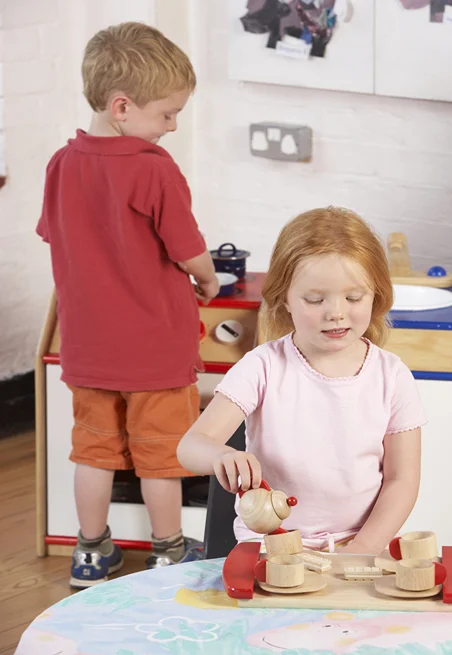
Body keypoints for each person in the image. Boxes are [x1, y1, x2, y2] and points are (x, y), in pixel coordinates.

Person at [36, 22, 219, 588]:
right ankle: (168, 551)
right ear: (122, 107)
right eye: (166, 114)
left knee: (93, 452)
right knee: (163, 455)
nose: (172, 125)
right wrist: (209, 282)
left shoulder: (62, 165)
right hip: (154, 354)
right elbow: (189, 251)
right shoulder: (153, 169)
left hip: (87, 349)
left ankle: (90, 553)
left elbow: (58, 237)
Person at [177, 207, 426, 554]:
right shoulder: (263, 366)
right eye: (315, 299)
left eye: (353, 297)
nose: (335, 311)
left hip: (360, 546)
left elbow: (402, 480)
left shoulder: (391, 375)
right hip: (270, 547)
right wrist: (219, 455)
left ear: (377, 295)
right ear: (285, 300)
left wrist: (362, 549)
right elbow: (191, 446)